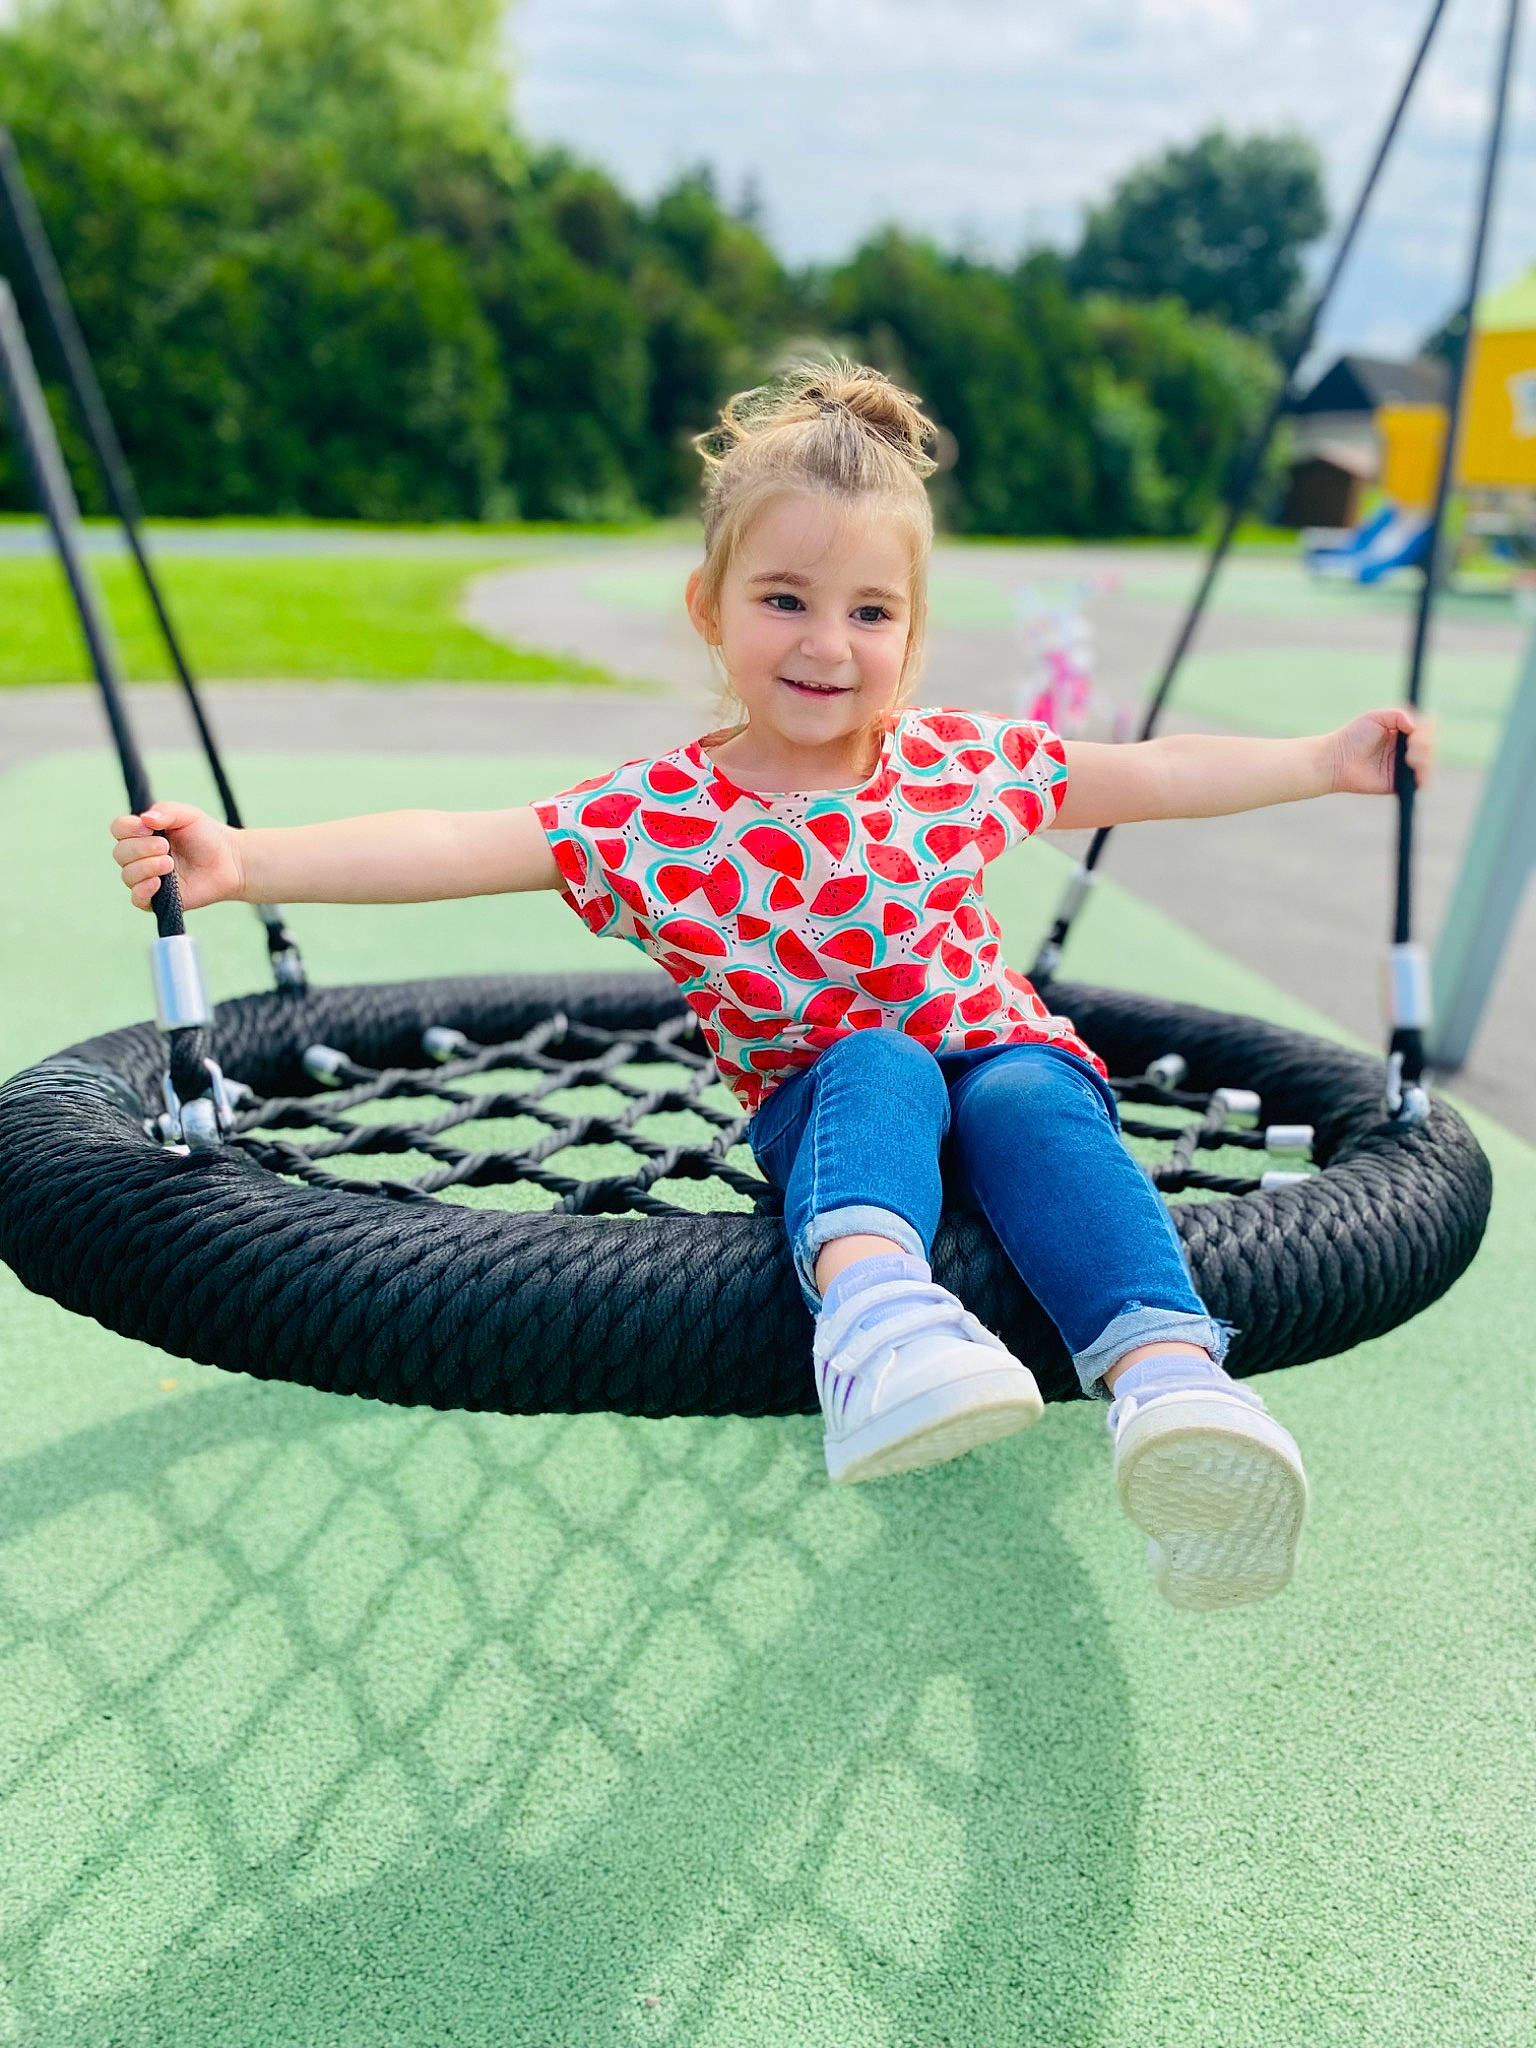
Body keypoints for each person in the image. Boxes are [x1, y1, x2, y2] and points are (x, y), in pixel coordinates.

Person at [109, 362, 1434, 1612]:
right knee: (879, 1064)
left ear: (911, 637)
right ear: (712, 610)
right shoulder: (659, 820)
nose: (827, 644)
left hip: (1001, 1059)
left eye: (871, 612)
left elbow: (1145, 774)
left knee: (1033, 1084)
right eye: (785, 599)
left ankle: (1173, 1390)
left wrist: (1324, 760)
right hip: (834, 1096)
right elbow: (462, 841)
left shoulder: (952, 765)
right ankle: (875, 1324)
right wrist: (247, 862)